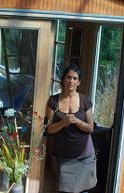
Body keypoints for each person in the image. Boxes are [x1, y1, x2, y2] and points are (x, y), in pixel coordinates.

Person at [46, 64, 97, 193]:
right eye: (68, 77)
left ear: (79, 82)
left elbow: (90, 128)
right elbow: (48, 129)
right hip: (64, 156)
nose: (71, 81)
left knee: (84, 191)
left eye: (75, 78)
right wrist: (62, 123)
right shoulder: (53, 100)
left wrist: (78, 121)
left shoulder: (85, 100)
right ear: (63, 79)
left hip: (85, 155)